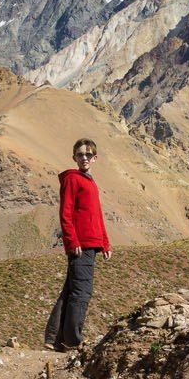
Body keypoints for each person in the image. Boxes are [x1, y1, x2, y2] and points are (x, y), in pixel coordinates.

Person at [44, 138, 111, 351]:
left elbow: (97, 215)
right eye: (80, 154)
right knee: (82, 292)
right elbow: (66, 212)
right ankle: (73, 340)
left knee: (72, 290)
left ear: (95, 158)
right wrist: (72, 241)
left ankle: (54, 338)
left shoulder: (89, 181)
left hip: (91, 243)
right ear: (74, 157)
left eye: (88, 154)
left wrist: (105, 243)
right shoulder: (73, 179)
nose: (84, 158)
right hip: (81, 245)